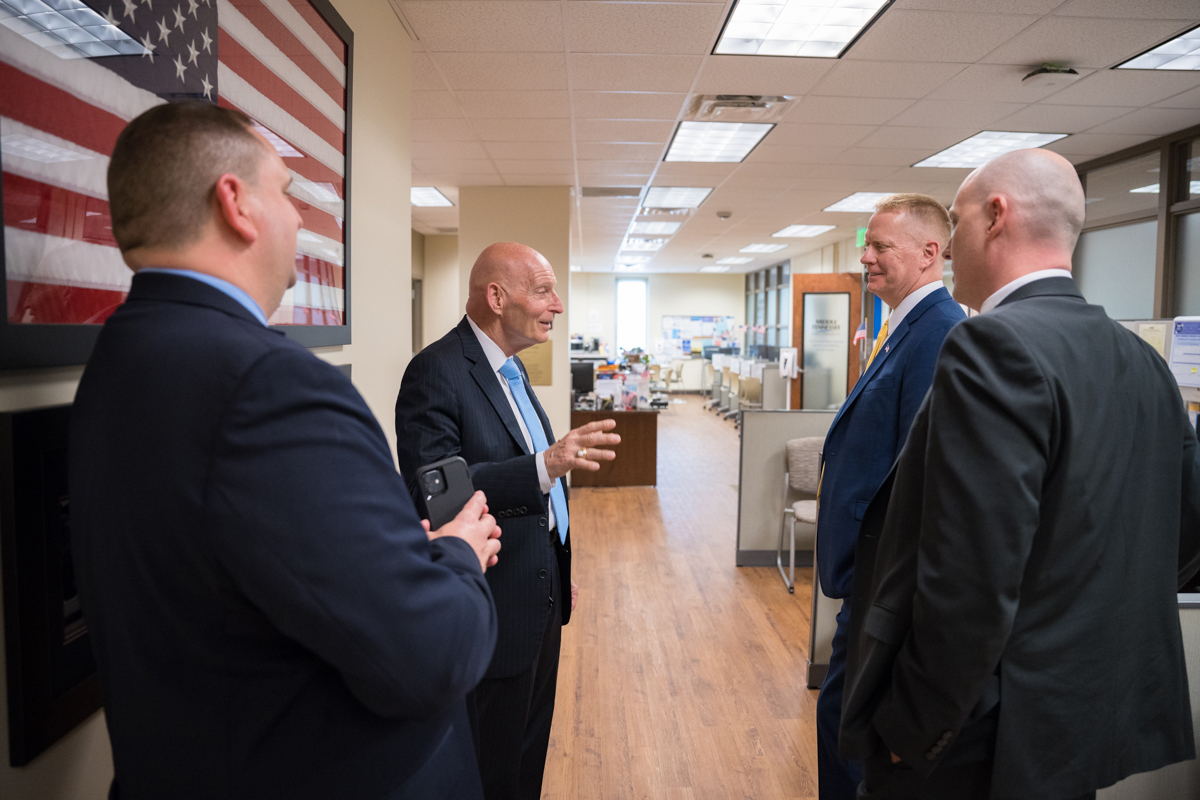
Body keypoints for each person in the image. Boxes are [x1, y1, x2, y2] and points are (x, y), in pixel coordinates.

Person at [70, 102, 502, 800]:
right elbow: (431, 655)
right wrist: (455, 553)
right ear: (235, 203)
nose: (300, 221)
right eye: (285, 192)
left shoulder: (120, 361)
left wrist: (385, 559)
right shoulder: (267, 385)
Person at [840, 148, 1200, 800]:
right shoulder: (1142, 362)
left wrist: (912, 730)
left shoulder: (992, 346)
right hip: (1085, 724)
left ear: (996, 216)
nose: (947, 249)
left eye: (957, 221)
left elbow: (968, 576)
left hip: (981, 738)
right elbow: (1183, 543)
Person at [394, 242, 620, 800]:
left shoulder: (512, 371)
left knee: (526, 761)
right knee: (493, 770)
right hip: (492, 607)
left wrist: (555, 557)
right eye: (543, 290)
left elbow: (537, 494)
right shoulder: (436, 372)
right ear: (496, 297)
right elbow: (437, 498)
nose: (558, 305)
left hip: (538, 597)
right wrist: (547, 463)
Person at [815, 194, 965, 799]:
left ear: (930, 254)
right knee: (842, 720)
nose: (865, 258)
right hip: (867, 574)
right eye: (866, 245)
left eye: (881, 247)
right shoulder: (898, 327)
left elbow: (920, 474)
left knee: (848, 730)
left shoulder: (939, 334)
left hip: (886, 580)